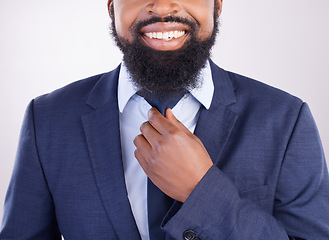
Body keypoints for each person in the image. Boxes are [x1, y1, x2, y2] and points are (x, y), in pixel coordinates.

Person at [1, 0, 329, 239]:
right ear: (112, 7)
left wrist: (203, 193)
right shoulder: (47, 120)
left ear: (217, 4)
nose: (161, 6)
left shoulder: (286, 120)